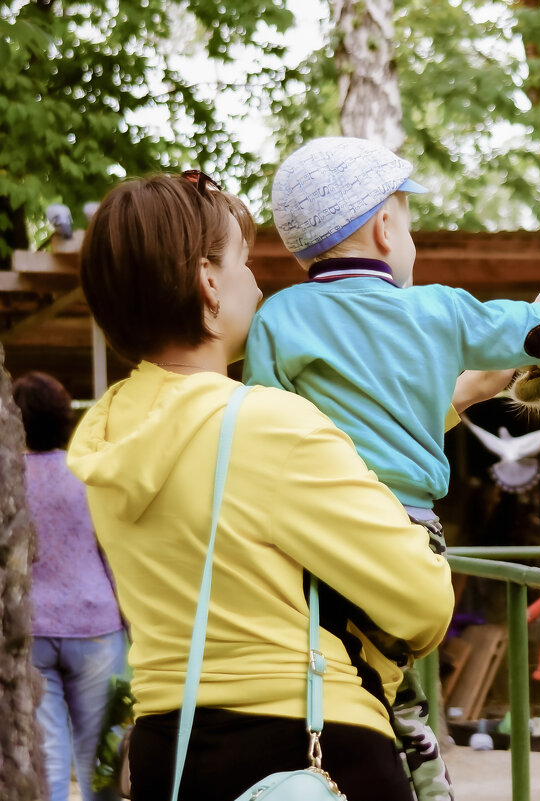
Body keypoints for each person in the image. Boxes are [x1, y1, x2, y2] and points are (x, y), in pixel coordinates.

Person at [242, 137, 540, 800]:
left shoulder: (279, 317)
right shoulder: (438, 309)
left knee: (358, 685)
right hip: (407, 536)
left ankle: (395, 760)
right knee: (391, 683)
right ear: (386, 227)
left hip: (318, 540)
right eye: (407, 220)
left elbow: (265, 430)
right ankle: (423, 775)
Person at [68, 170, 453, 801]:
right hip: (312, 750)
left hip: (170, 751)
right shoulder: (268, 424)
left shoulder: (109, 430)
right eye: (244, 262)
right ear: (208, 281)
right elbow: (422, 603)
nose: (259, 282)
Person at [14, 370, 127, 801]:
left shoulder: (8, 482)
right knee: (101, 759)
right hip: (97, 625)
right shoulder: (87, 474)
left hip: (29, 631)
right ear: (66, 419)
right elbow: (112, 552)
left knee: (48, 762)